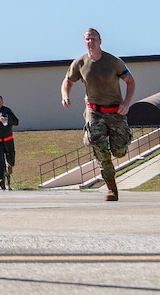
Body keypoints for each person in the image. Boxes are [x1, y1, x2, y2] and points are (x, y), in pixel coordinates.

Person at [60, 27, 134, 201]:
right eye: (87, 39)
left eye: (93, 38)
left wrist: (126, 103)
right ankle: (112, 189)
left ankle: (124, 137)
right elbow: (68, 81)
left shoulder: (113, 62)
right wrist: (65, 96)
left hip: (115, 110)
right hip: (94, 111)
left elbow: (130, 81)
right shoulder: (80, 63)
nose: (90, 41)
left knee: (119, 151)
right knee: (100, 149)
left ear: (100, 41)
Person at [0, 95, 20, 189]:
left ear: (2, 102)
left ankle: (10, 165)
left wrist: (6, 119)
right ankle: (0, 179)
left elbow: (16, 122)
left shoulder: (7, 111)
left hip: (7, 139)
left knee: (10, 158)